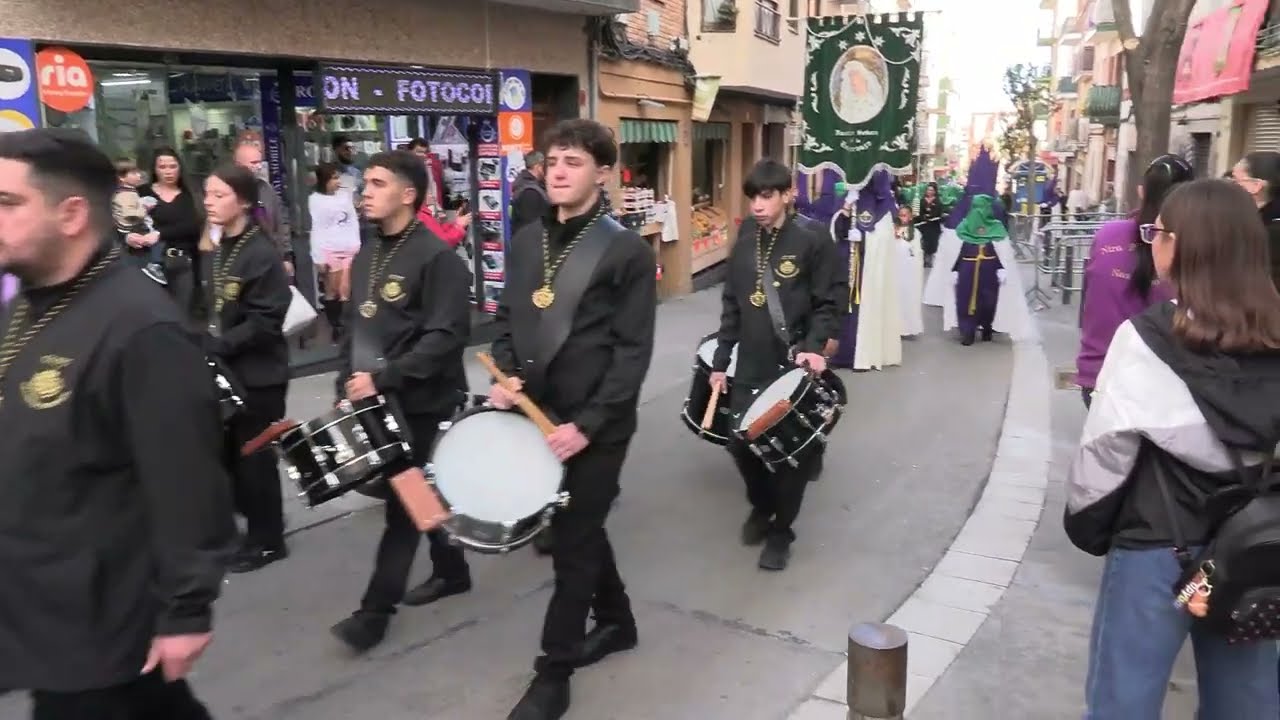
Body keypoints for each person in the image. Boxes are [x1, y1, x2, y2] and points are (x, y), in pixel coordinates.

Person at [0, 128, 234, 718]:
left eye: (7, 204)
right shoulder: (28, 306)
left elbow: (186, 481)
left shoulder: (140, 329)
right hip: (35, 600)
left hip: (99, 621)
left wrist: (186, 610)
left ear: (72, 212)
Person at [1065, 178, 1280, 718]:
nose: (1150, 241)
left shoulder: (1146, 340)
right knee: (1245, 695)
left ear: (1184, 246)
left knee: (1126, 694)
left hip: (1163, 548)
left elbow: (1106, 453)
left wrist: (1088, 526)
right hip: (1251, 548)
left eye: (1157, 232)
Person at [488, 119, 657, 720]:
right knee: (582, 529)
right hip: (537, 415)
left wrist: (587, 423)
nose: (557, 171)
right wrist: (504, 375)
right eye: (552, 161)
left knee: (570, 540)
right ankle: (617, 620)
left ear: (603, 173)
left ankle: (552, 672)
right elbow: (508, 319)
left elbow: (632, 351)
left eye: (574, 162)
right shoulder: (528, 238)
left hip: (596, 426)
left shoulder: (626, 251)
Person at [329, 149, 474, 653]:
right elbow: (355, 324)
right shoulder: (369, 253)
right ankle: (453, 570)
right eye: (364, 182)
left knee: (402, 503)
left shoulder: (439, 259)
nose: (364, 191)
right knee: (416, 495)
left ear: (408, 195)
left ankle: (374, 611)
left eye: (377, 183)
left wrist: (385, 377)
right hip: (377, 396)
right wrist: (346, 382)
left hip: (425, 401)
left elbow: (445, 337)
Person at [711, 158, 844, 571]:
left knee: (792, 457)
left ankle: (782, 530)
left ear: (788, 194)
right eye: (753, 195)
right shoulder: (746, 234)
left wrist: (814, 348)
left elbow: (831, 299)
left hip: (793, 364)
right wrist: (720, 359)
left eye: (767, 195)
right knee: (739, 443)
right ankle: (762, 504)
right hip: (750, 360)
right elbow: (732, 302)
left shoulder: (813, 238)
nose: (757, 204)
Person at [203, 163, 293, 574]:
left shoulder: (261, 252)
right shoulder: (220, 245)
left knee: (255, 460)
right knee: (229, 457)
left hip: (260, 374)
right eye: (206, 193)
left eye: (219, 195)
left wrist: (220, 344)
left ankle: (268, 540)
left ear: (242, 201)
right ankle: (253, 525)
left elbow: (265, 321)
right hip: (227, 370)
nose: (209, 201)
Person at [1076, 154, 1192, 408]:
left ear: (1142, 191)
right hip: (1161, 382)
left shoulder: (1108, 235)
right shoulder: (1189, 246)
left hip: (1099, 373)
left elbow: (1088, 302)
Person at [830, 169, 901, 370]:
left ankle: (864, 355)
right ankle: (842, 354)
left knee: (863, 309)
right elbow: (835, 229)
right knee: (841, 306)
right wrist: (845, 209)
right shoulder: (847, 196)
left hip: (868, 272)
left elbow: (884, 240)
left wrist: (865, 240)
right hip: (846, 264)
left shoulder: (884, 206)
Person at [137, 148, 203, 319]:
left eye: (172, 166)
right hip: (149, 265)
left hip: (182, 262)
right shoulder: (142, 192)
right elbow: (128, 222)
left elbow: (193, 226)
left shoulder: (190, 195)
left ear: (180, 168)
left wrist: (160, 234)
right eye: (162, 167)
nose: (168, 171)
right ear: (155, 169)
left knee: (181, 316)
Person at [309, 162, 362, 340]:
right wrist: (318, 256)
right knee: (333, 291)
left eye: (338, 177)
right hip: (330, 249)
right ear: (324, 180)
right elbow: (317, 228)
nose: (337, 181)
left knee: (347, 289)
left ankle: (347, 326)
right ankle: (336, 326)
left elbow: (353, 219)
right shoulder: (315, 200)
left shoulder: (345, 195)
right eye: (333, 178)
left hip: (350, 247)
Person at [949, 194, 1006, 345]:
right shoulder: (963, 228)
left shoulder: (996, 228)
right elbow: (959, 250)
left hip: (988, 270)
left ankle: (987, 326)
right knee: (965, 300)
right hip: (967, 269)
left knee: (988, 300)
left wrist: (1001, 268)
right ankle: (968, 331)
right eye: (976, 207)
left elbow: (1001, 250)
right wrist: (955, 268)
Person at [233, 141, 293, 274]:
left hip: (270, 259)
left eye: (260, 162)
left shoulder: (266, 189)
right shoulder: (229, 193)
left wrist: (286, 256)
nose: (259, 167)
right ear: (238, 165)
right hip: (242, 262)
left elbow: (280, 224)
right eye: (253, 163)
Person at [1229, 151, 1280, 290]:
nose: (1229, 186)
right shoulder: (1254, 221)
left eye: (1235, 180)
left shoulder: (1269, 234)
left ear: (1256, 185)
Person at [895, 204, 924, 338]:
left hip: (909, 270)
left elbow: (916, 252)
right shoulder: (893, 230)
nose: (902, 218)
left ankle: (907, 327)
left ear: (911, 217)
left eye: (905, 215)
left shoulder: (916, 233)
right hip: (896, 268)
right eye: (900, 215)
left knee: (907, 297)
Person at [510, 150, 549, 233]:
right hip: (530, 242)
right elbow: (531, 225)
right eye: (545, 166)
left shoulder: (531, 185)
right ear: (538, 167)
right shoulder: (530, 192)